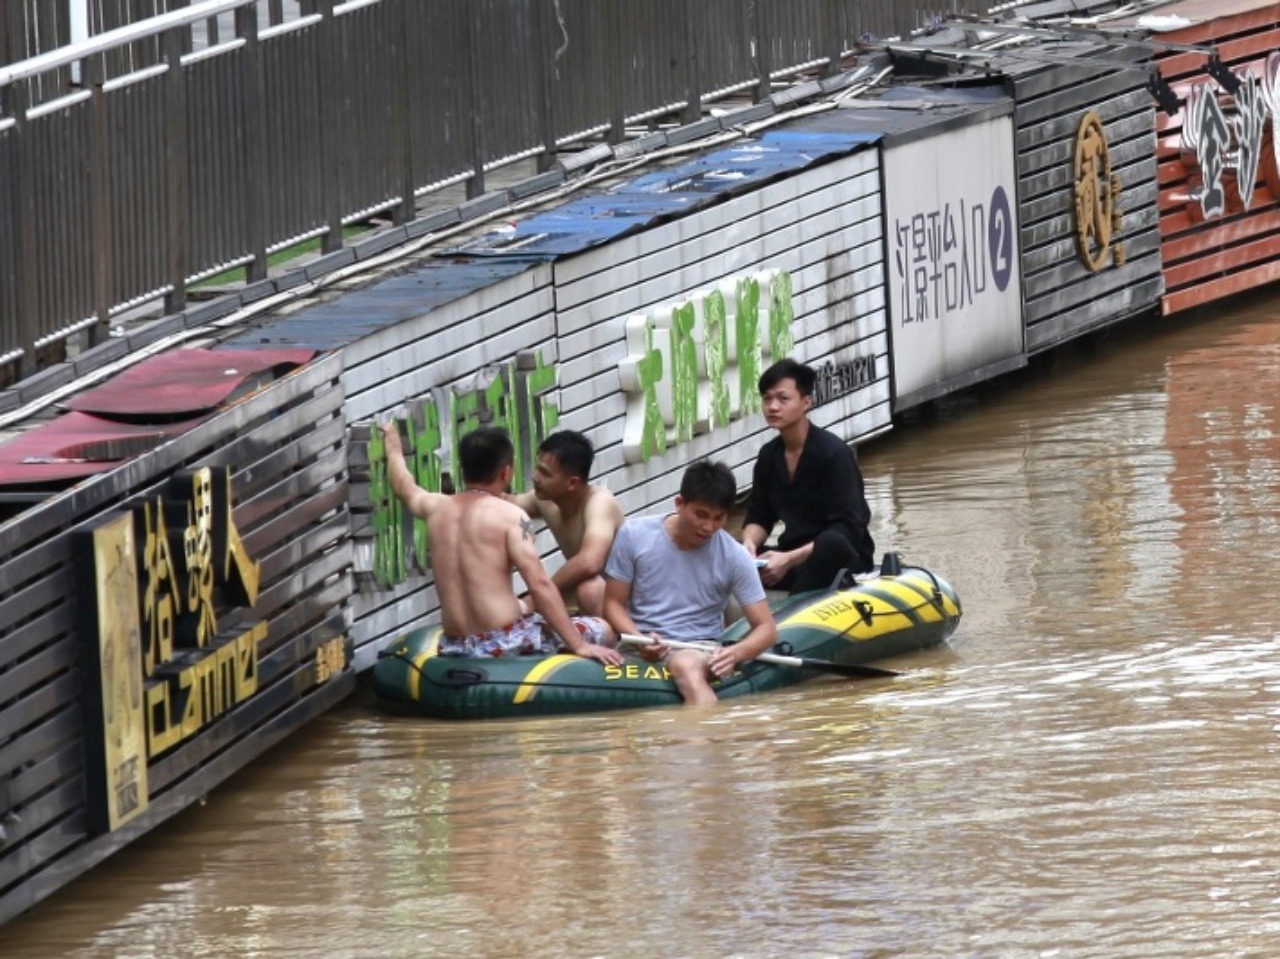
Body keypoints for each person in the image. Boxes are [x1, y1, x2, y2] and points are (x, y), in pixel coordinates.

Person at [380, 422, 624, 665]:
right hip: (505, 640)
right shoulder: (515, 518)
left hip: (454, 643)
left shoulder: (435, 507)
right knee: (602, 628)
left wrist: (392, 446)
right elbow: (539, 584)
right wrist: (579, 645)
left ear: (461, 468)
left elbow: (404, 487)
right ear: (506, 472)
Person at [603, 460, 778, 706]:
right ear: (679, 504)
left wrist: (735, 653)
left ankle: (703, 739)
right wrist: (638, 638)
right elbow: (612, 604)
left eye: (719, 518)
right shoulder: (634, 534)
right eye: (701, 515)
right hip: (639, 641)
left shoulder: (735, 556)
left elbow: (766, 629)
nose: (708, 527)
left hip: (697, 647)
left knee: (684, 665)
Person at [741, 358, 875, 594]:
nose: (772, 407)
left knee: (831, 543)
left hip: (839, 559)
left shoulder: (834, 454)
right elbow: (760, 515)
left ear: (806, 402)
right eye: (767, 399)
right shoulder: (768, 456)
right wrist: (748, 545)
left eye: (783, 399)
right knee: (723, 545)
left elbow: (848, 529)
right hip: (792, 553)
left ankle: (788, 621)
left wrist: (789, 559)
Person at [506, 430, 623, 616]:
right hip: (585, 599)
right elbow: (503, 503)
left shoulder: (599, 503)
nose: (535, 477)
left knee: (589, 588)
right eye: (537, 468)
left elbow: (590, 562)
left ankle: (616, 643)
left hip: (626, 601)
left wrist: (537, 597)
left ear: (572, 483)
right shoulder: (544, 500)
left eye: (545, 473)